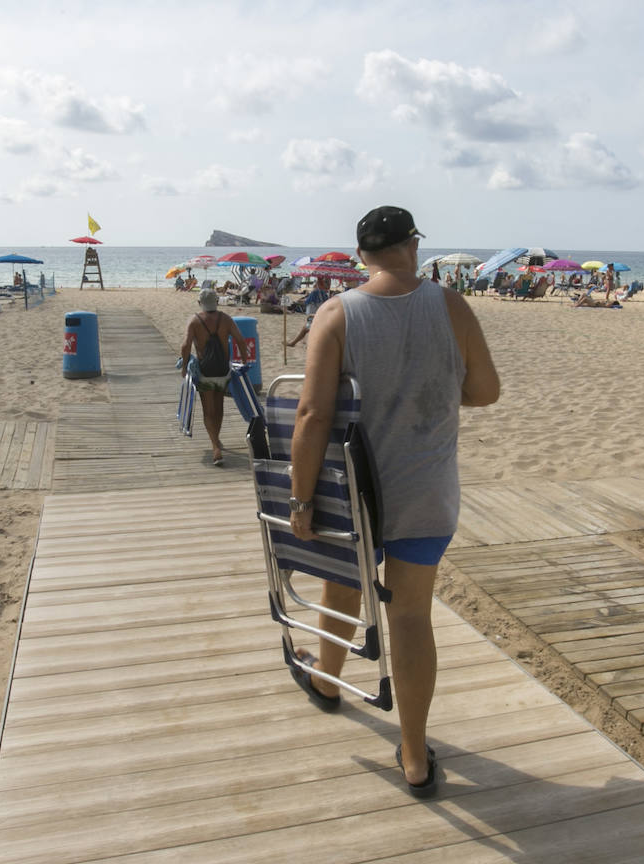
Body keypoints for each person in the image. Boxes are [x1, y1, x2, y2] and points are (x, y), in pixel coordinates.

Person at [287, 206, 499, 797]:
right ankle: (412, 755)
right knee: (410, 615)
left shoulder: (336, 314)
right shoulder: (450, 305)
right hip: (426, 490)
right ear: (411, 247)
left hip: (353, 490)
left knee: (341, 583)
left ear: (362, 256)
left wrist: (300, 499)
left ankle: (328, 681)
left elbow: (312, 414)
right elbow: (486, 390)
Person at [179, 286, 247, 466]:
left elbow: (185, 345)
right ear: (216, 302)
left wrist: (184, 367)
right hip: (222, 371)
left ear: (199, 303)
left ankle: (215, 446)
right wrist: (245, 362)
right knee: (219, 407)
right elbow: (240, 340)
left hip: (205, 372)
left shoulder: (194, 320)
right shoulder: (226, 319)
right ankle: (216, 438)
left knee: (208, 410)